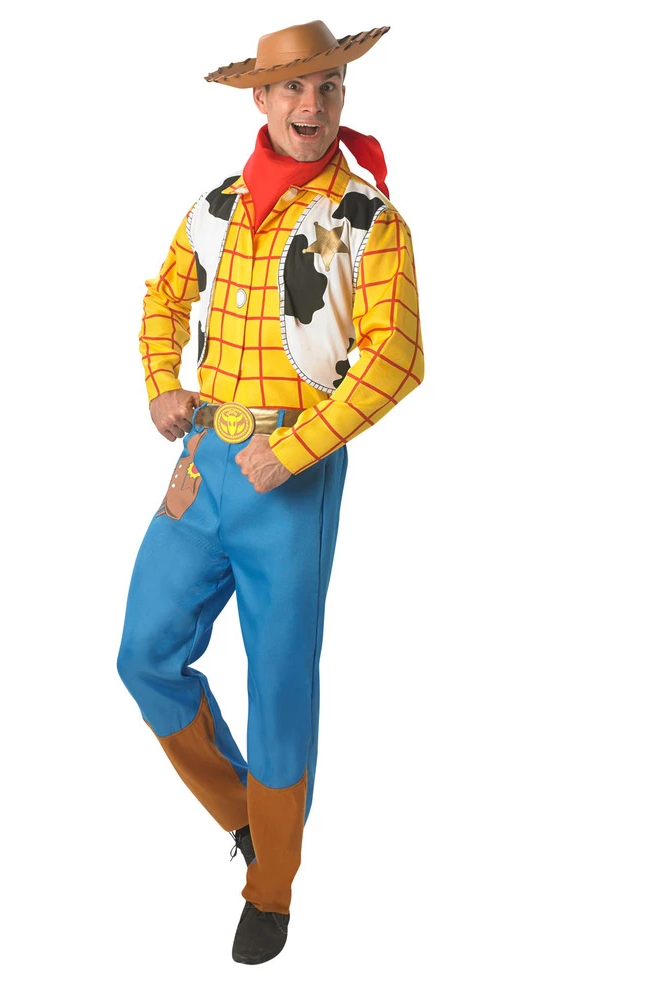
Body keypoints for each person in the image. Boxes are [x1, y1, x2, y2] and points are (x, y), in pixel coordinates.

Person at [116, 20, 423, 964]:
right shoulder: (213, 207)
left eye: (328, 86)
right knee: (144, 654)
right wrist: (161, 383)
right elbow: (164, 297)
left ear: (342, 94)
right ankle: (251, 814)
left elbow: (399, 357)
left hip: (291, 476)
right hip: (202, 463)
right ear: (260, 98)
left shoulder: (369, 221)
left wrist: (296, 451)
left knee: (280, 682)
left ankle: (273, 884)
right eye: (293, 87)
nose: (312, 104)